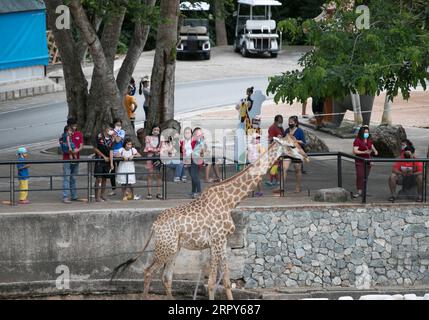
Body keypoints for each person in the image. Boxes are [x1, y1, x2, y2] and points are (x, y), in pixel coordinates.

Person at [281, 116, 307, 193]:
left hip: (296, 152)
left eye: (291, 122)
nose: (290, 123)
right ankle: (281, 187)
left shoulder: (299, 131)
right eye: (289, 122)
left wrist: (296, 141)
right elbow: (284, 140)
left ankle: (298, 186)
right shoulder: (286, 130)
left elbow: (303, 142)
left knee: (297, 169)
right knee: (284, 168)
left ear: (295, 123)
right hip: (288, 152)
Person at [352, 125, 378, 198]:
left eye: (367, 132)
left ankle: (364, 190)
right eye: (365, 132)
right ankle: (359, 191)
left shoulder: (369, 139)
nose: (366, 134)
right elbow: (355, 151)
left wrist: (375, 150)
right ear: (361, 132)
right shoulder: (357, 140)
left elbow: (371, 146)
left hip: (368, 161)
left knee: (365, 176)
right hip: (360, 161)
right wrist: (364, 152)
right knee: (360, 175)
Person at [62, 118, 84, 203]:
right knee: (66, 178)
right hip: (67, 160)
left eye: (75, 125)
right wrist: (71, 151)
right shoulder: (64, 135)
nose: (75, 127)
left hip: (76, 159)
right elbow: (63, 147)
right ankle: (65, 196)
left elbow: (81, 145)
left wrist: (76, 150)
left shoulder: (79, 134)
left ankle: (74, 196)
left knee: (73, 178)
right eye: (73, 125)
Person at [93, 124, 114, 202]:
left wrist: (111, 163)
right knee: (99, 179)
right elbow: (95, 148)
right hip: (99, 160)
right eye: (110, 129)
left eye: (112, 129)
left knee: (105, 179)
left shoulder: (112, 138)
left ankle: (102, 195)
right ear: (106, 128)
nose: (111, 131)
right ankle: (97, 197)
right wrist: (103, 157)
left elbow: (111, 150)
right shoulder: (99, 136)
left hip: (108, 161)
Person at [144, 125, 163, 199]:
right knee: (150, 174)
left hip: (158, 158)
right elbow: (147, 147)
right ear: (152, 130)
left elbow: (163, 148)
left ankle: (159, 193)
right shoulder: (148, 137)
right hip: (150, 157)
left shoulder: (161, 139)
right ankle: (149, 193)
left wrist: (158, 151)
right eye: (155, 129)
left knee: (159, 175)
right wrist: (157, 150)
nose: (156, 131)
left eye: (158, 130)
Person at [265, 115, 284, 186]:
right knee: (274, 165)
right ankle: (274, 180)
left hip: (278, 149)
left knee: (274, 165)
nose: (281, 123)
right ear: (276, 121)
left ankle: (275, 181)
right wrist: (276, 138)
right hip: (273, 149)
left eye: (282, 121)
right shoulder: (272, 128)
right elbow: (270, 139)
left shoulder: (280, 127)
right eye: (280, 121)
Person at [109, 118, 126, 196]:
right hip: (112, 152)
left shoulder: (122, 131)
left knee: (121, 170)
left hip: (120, 152)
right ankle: (113, 189)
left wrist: (114, 134)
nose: (118, 126)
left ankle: (124, 190)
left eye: (120, 125)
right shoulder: (110, 131)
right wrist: (113, 133)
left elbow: (118, 141)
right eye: (117, 125)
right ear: (114, 125)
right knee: (112, 171)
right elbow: (110, 141)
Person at [189, 127, 205, 199]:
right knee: (193, 176)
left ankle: (199, 192)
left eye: (199, 133)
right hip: (191, 159)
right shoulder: (192, 140)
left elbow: (201, 149)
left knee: (194, 175)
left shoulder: (200, 140)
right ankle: (193, 192)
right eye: (195, 133)